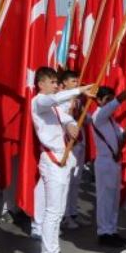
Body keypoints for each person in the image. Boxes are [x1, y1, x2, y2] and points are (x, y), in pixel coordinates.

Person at [31, 67, 96, 253]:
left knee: (58, 211)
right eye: (51, 82)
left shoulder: (54, 106)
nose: (55, 86)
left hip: (63, 157)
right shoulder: (39, 101)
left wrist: (70, 126)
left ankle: (55, 251)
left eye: (56, 83)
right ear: (41, 84)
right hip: (51, 159)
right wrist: (80, 90)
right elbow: (53, 101)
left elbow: (66, 118)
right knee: (52, 211)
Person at [91, 84, 126, 247]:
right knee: (104, 198)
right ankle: (104, 232)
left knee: (114, 198)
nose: (110, 103)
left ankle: (112, 230)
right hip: (103, 161)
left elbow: (122, 138)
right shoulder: (99, 116)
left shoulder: (111, 121)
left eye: (111, 98)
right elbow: (116, 103)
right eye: (107, 99)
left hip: (114, 161)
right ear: (99, 101)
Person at [58, 70, 86, 231]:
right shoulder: (61, 99)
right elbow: (63, 120)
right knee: (66, 181)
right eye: (73, 81)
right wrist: (71, 105)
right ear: (65, 83)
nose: (77, 83)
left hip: (79, 142)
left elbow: (83, 118)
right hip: (67, 144)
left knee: (75, 181)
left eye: (77, 81)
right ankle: (63, 216)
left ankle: (72, 212)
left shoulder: (78, 100)